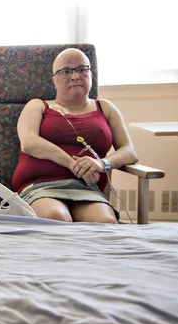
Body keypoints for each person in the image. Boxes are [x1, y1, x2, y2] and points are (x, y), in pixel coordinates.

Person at [11, 48, 138, 223]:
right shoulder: (37, 106)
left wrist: (101, 164)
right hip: (41, 186)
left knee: (105, 223)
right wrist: (72, 164)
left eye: (81, 69)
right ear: (54, 80)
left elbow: (129, 151)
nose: (75, 76)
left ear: (91, 74)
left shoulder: (105, 108)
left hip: (87, 189)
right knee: (56, 218)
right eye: (66, 71)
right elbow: (29, 143)